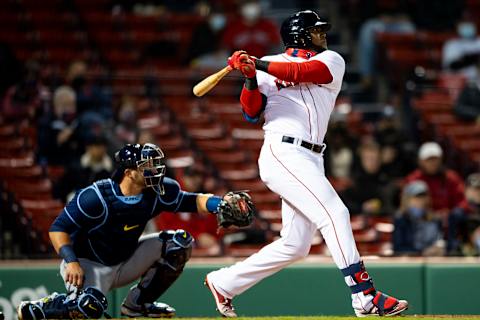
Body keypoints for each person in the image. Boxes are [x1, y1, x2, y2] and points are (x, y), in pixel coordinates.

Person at [204, 10, 408, 318]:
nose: (322, 35)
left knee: (295, 244)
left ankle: (225, 282)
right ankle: (364, 296)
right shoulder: (266, 66)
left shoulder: (331, 61)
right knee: (335, 213)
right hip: (282, 152)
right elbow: (250, 112)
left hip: (312, 157)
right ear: (299, 35)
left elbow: (301, 72)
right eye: (316, 31)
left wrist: (255, 64)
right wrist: (249, 77)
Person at [17, 143, 251, 319]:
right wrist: (70, 261)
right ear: (129, 172)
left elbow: (191, 200)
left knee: (179, 242)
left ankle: (137, 305)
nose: (156, 170)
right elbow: (58, 228)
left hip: (125, 260)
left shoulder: (158, 191)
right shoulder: (96, 197)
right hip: (88, 265)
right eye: (147, 166)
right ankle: (40, 308)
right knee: (88, 307)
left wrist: (219, 204)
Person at [404, 142, 465, 218]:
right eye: (428, 160)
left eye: (435, 159)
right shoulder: (414, 179)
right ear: (421, 161)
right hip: (422, 219)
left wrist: (454, 212)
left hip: (449, 219)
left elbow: (462, 201)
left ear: (441, 159)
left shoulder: (451, 178)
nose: (432, 163)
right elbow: (406, 203)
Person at [393, 180, 443, 255]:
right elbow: (398, 248)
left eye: (423, 197)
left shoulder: (435, 220)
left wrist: (439, 248)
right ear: (407, 200)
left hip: (432, 261)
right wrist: (421, 253)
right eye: (416, 197)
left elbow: (439, 241)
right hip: (409, 262)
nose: (420, 201)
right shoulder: (401, 219)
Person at [447, 173, 480, 255]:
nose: (476, 192)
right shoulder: (458, 213)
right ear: (466, 190)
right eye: (473, 189)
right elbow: (452, 243)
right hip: (465, 255)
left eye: (479, 189)